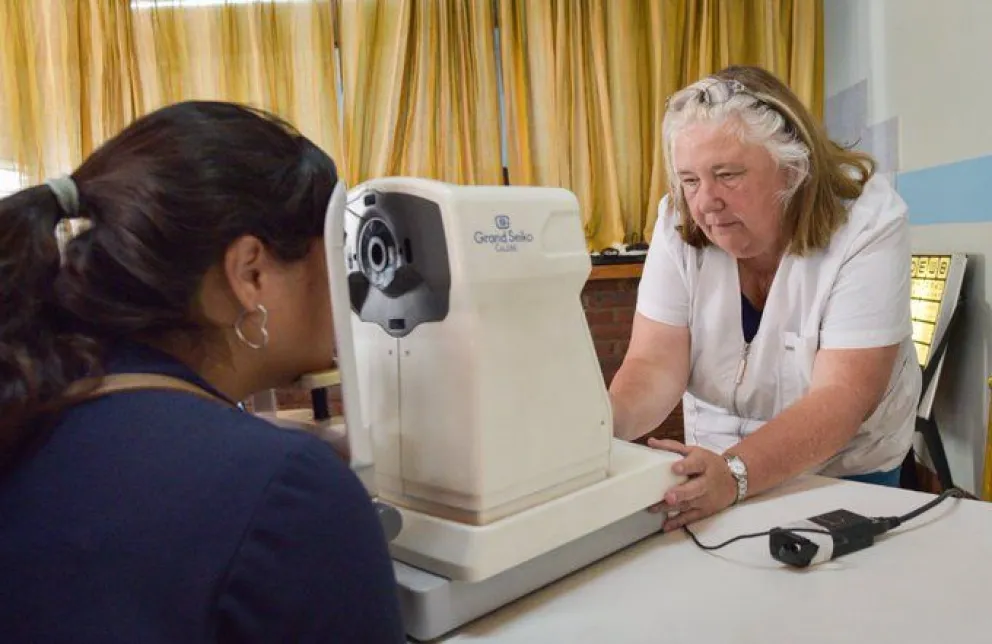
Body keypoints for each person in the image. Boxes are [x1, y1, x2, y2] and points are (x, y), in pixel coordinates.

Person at [0, 101, 406, 642]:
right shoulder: (288, 495)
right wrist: (295, 477)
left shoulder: (32, 410)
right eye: (333, 253)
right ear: (251, 273)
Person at [609, 65, 921, 532]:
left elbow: (842, 395)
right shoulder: (677, 220)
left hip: (843, 469)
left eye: (727, 175)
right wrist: (599, 431)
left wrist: (736, 473)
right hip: (715, 464)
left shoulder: (868, 222)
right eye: (690, 180)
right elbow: (654, 364)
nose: (705, 202)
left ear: (793, 169)